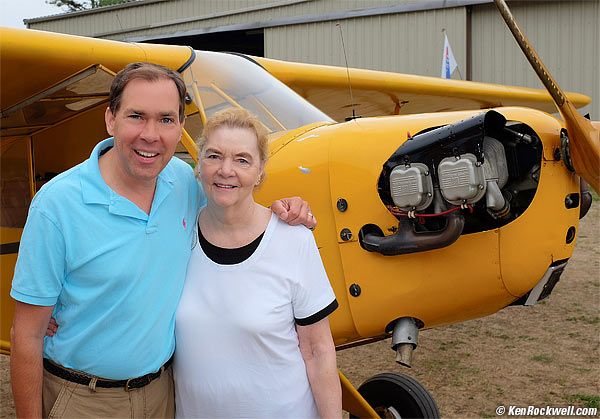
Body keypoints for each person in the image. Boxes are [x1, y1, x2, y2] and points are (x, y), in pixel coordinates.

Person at [10, 62, 316, 418]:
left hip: (163, 393)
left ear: (181, 126)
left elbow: (231, 218)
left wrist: (285, 210)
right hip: (83, 398)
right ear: (111, 120)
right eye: (136, 116)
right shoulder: (56, 204)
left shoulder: (184, 180)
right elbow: (27, 336)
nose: (151, 135)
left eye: (166, 119)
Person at [174, 108, 341, 418]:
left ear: (261, 171)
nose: (226, 170)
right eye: (214, 156)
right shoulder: (178, 235)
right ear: (198, 163)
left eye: (242, 160)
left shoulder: (293, 239)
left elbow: (318, 352)